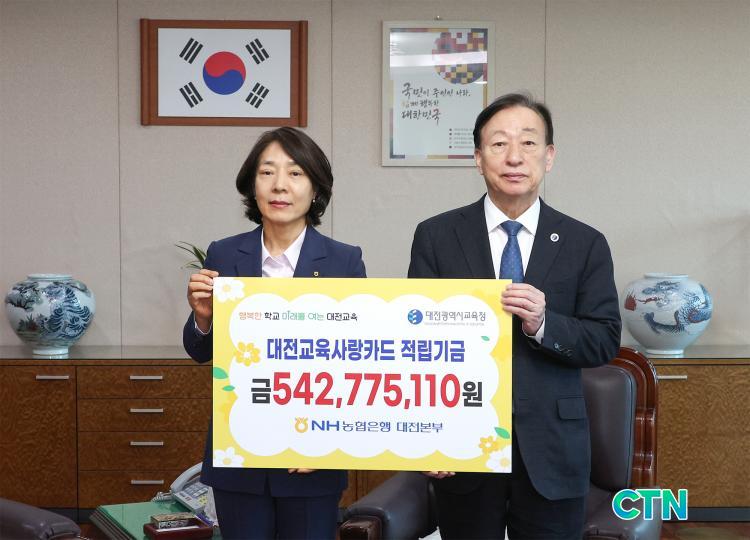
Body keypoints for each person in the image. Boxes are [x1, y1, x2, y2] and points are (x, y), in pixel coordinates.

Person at [408, 93, 621, 539]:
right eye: (499, 143)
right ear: (478, 158)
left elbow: (603, 340)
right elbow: (417, 347)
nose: (514, 157)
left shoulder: (585, 243)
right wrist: (429, 437)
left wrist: (544, 323)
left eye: (528, 142)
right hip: (462, 447)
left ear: (549, 156)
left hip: (552, 448)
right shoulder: (436, 236)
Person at [183, 127, 366, 540]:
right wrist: (202, 317)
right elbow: (200, 350)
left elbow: (355, 359)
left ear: (316, 189)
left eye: (295, 173)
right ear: (253, 185)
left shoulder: (343, 261)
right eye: (267, 172)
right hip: (240, 456)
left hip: (312, 458)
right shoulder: (224, 253)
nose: (280, 185)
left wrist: (328, 442)